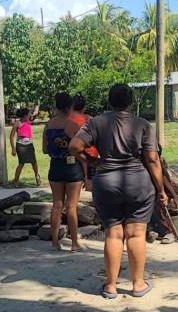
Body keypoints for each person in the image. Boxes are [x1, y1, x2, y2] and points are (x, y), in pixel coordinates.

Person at [69, 84, 168, 299]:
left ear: (109, 101)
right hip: (138, 184)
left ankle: (111, 286)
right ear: (130, 102)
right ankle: (138, 284)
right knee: (136, 233)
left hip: (106, 183)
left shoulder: (96, 123)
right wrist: (161, 189)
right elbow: (152, 159)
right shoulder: (142, 124)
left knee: (113, 234)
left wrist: (93, 162)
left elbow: (74, 146)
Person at [42, 93, 84, 252]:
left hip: (55, 166)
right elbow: (79, 148)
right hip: (72, 166)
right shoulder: (73, 125)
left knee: (57, 205)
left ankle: (54, 243)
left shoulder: (48, 125)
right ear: (70, 106)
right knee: (72, 207)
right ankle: (74, 243)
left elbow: (45, 149)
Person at [69, 93, 99, 191]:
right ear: (85, 107)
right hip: (91, 156)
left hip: (75, 156)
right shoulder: (91, 119)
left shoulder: (68, 120)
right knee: (92, 188)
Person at [10, 107, 40, 187]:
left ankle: (37, 176)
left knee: (34, 162)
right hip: (20, 145)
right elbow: (11, 136)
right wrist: (13, 148)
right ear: (24, 115)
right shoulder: (17, 123)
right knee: (21, 163)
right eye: (28, 115)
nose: (29, 116)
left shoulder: (28, 121)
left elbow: (32, 113)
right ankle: (16, 180)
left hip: (29, 144)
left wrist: (35, 108)